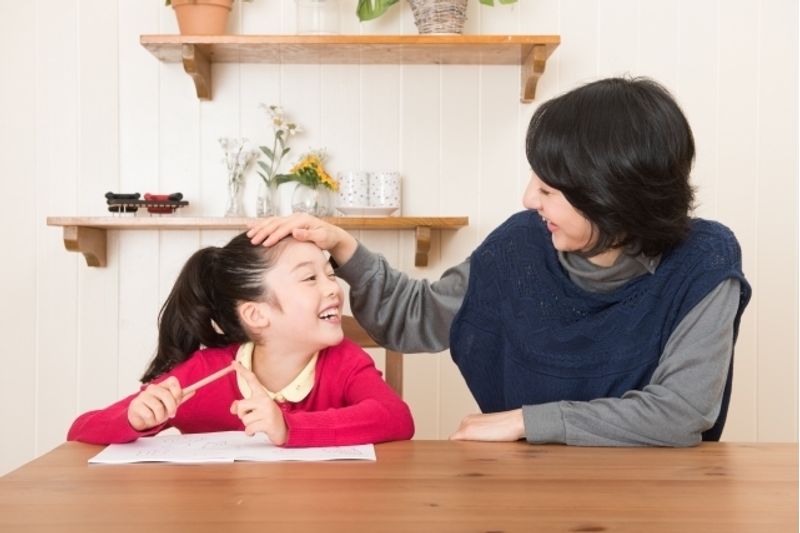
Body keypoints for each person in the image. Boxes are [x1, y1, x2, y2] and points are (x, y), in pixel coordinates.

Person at [247, 77, 752, 447]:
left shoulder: (703, 261)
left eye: (549, 190)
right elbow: (415, 319)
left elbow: (682, 411)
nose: (529, 198)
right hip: (526, 489)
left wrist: (526, 421)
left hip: (660, 496)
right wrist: (344, 248)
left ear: (610, 200)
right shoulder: (519, 245)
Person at [68, 234, 414, 447]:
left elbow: (395, 417)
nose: (333, 288)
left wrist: (289, 427)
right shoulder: (205, 374)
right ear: (256, 315)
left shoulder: (344, 361)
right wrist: (135, 418)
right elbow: (80, 430)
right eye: (310, 278)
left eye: (329, 273)